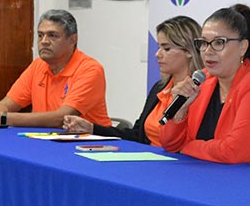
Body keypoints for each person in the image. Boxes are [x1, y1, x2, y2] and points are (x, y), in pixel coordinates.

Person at [160, 5, 250, 171]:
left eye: (219, 43)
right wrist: (180, 112)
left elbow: (234, 152)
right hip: (213, 178)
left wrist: (187, 147)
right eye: (203, 43)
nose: (208, 51)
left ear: (242, 47)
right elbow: (169, 144)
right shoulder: (201, 81)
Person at [62, 16, 203, 145]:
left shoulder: (200, 92)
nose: (157, 54)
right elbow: (137, 135)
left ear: (189, 51)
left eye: (166, 48)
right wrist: (92, 128)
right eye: (158, 47)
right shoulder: (160, 87)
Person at [0, 9, 111, 127]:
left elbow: (61, 118)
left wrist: (2, 118)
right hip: (46, 139)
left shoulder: (90, 70)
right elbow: (8, 104)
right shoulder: (38, 65)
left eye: (52, 35)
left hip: (90, 145)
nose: (44, 41)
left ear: (72, 40)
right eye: (40, 35)